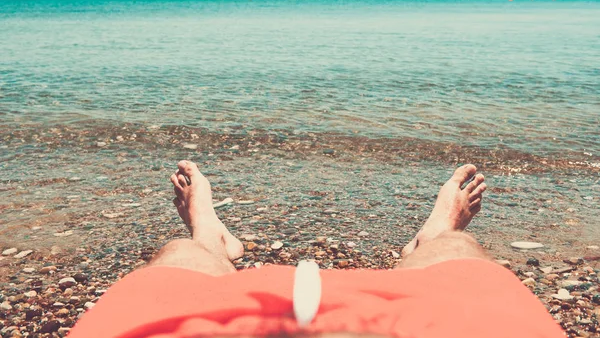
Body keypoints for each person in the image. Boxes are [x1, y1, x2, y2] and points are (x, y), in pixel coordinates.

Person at [69, 161, 564, 338]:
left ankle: (207, 238)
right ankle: (432, 241)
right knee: (460, 251)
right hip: (447, 329)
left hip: (186, 328)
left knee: (179, 258)